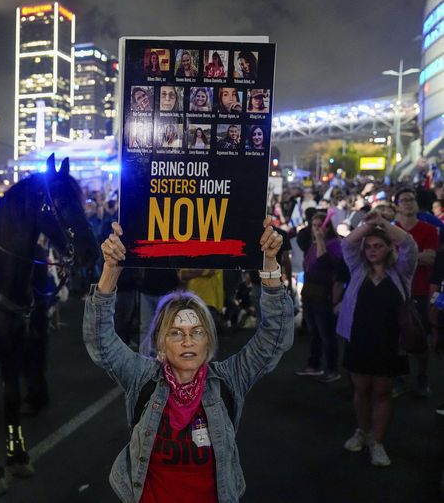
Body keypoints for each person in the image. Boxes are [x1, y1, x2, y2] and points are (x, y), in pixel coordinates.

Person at [84, 218, 292, 502]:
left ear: (209, 341)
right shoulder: (142, 377)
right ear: (160, 343)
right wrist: (111, 270)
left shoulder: (229, 380)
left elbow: (275, 339)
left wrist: (269, 264)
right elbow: (101, 342)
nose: (187, 341)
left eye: (197, 332)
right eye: (176, 333)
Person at [336, 210, 417, 467]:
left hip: (390, 342)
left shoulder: (401, 271)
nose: (371, 250)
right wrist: (367, 225)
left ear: (388, 248)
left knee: (382, 392)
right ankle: (363, 430)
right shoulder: (358, 269)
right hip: (359, 339)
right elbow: (348, 243)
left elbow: (410, 245)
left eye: (378, 245)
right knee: (361, 390)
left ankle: (377, 442)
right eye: (368, 246)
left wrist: (383, 223)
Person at [394, 187, 438, 397]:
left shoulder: (429, 230)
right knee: (397, 339)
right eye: (404, 200)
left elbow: (430, 259)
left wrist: (401, 257)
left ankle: (422, 376)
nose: (409, 203)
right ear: (397, 205)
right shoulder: (391, 230)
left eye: (411, 199)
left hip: (420, 291)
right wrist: (416, 256)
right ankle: (400, 377)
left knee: (421, 339)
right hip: (397, 292)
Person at [295, 212, 344, 382]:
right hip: (311, 292)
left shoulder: (333, 244)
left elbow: (326, 263)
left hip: (324, 294)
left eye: (319, 225)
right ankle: (314, 364)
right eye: (313, 225)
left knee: (326, 334)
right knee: (314, 332)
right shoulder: (313, 244)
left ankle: (332, 368)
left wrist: (321, 240)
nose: (315, 229)